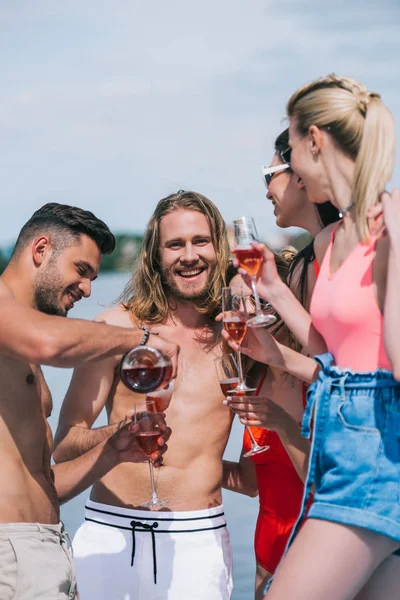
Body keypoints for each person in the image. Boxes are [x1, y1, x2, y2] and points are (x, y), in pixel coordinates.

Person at [234, 74, 400, 599]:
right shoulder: (334, 235)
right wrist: (276, 293)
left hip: (376, 458)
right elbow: (334, 352)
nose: (289, 176)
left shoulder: (390, 223)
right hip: (334, 454)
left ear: (315, 142)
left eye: (289, 153)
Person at [53, 190, 234, 600]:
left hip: (197, 540)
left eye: (200, 241)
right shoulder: (115, 328)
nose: (189, 255)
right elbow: (64, 445)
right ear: (156, 255)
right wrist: (121, 432)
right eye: (175, 244)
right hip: (107, 534)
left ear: (218, 248)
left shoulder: (239, 336)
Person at [0, 202, 177, 600]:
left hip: (44, 551)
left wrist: (113, 451)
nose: (88, 289)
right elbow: (49, 342)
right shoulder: (21, 327)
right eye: (81, 271)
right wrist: (141, 338)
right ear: (41, 249)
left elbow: (43, 486)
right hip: (11, 559)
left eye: (95, 278)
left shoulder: (19, 345)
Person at [222, 130, 340, 598]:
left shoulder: (343, 253)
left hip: (330, 531)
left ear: (302, 173)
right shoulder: (300, 265)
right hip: (272, 556)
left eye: (269, 175)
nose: (266, 188)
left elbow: (344, 371)